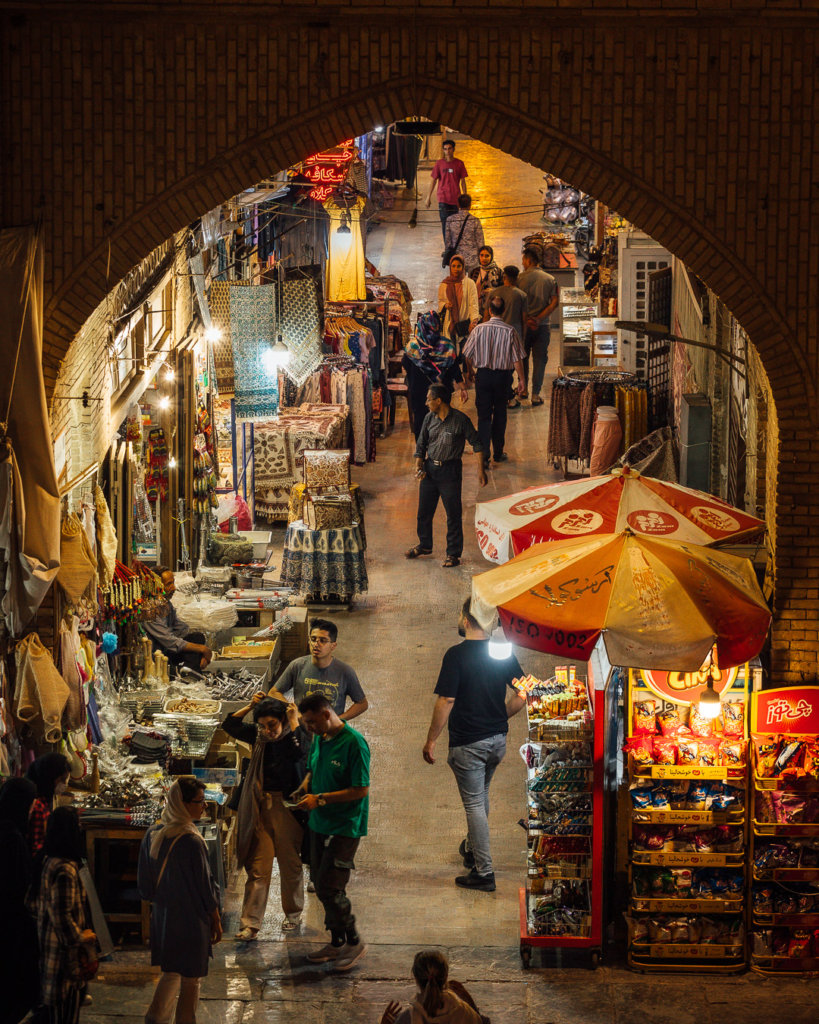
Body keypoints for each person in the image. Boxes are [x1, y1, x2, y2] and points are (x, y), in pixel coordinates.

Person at [422, 599, 525, 892]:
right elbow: (524, 693)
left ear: (466, 620)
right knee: (481, 795)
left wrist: (431, 739)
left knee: (475, 804)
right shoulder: (502, 652)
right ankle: (472, 850)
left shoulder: (456, 655)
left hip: (469, 743)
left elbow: (446, 700)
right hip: (497, 742)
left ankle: (484, 872)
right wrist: (498, 715)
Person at [223, 695, 311, 940]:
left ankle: (293, 914)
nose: (267, 730)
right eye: (262, 725)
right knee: (258, 867)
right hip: (260, 805)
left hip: (287, 808)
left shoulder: (295, 735)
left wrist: (294, 721)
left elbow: (301, 751)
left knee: (289, 863)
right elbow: (230, 725)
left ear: (283, 720)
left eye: (272, 724)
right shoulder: (259, 737)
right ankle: (250, 923)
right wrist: (250, 706)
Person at [295, 693, 370, 973]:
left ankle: (354, 941)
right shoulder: (320, 737)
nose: (309, 728)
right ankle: (336, 942)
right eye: (306, 723)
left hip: (344, 826)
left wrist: (322, 799)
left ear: (327, 714)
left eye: (312, 721)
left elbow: (360, 789)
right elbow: (314, 769)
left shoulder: (354, 743)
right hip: (319, 823)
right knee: (318, 881)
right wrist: (306, 784)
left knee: (330, 886)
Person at [138, 777, 221, 1024]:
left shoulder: (153, 834)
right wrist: (215, 920)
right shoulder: (191, 840)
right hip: (191, 919)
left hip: (164, 917)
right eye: (199, 802)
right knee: (191, 978)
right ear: (181, 804)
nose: (204, 806)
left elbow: (144, 886)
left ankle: (156, 1017)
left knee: (171, 970)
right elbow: (206, 889)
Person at [406, 384, 487, 569]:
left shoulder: (460, 420)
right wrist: (418, 463)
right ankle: (425, 545)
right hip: (430, 469)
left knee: (453, 514)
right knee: (424, 513)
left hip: (450, 472)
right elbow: (421, 444)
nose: (426, 403)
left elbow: (477, 444)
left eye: (429, 399)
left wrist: (480, 471)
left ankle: (453, 554)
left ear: (439, 401)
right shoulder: (428, 418)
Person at [36, 807, 97, 1024]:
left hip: (50, 951)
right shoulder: (66, 870)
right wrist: (83, 937)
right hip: (65, 960)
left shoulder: (49, 862)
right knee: (65, 1015)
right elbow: (62, 916)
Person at [462, 295, 526, 467]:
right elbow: (517, 359)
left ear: (489, 311)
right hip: (502, 378)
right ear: (504, 311)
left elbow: (467, 355)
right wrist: (522, 380)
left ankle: (484, 456)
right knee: (500, 414)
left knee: (483, 417)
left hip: (483, 377)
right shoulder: (510, 331)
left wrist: (470, 372)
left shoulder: (478, 330)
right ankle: (498, 452)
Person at [271, 618, 369, 722]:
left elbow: (362, 704)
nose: (316, 644)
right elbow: (273, 692)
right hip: (304, 730)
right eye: (313, 639)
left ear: (333, 645)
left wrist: (338, 720)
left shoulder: (345, 672)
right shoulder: (297, 666)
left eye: (323, 640)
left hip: (330, 733)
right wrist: (294, 712)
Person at [0, 778, 40, 1024]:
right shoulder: (12, 838)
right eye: (31, 802)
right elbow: (20, 884)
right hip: (11, 922)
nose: (34, 807)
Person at [402, 310, 467, 441]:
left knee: (420, 419)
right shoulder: (447, 346)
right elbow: (454, 368)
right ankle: (439, 451)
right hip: (442, 391)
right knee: (442, 420)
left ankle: (421, 453)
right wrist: (462, 388)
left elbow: (406, 365)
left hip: (419, 391)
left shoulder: (413, 347)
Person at [381, 950, 485, 1024]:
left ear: (416, 978)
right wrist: (470, 1003)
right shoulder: (464, 1012)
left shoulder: (408, 1018)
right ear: (445, 977)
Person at [143, 568, 213, 672]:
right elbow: (168, 641)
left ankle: (190, 673)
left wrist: (201, 650)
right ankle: (187, 675)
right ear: (156, 586)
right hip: (157, 657)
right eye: (169, 584)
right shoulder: (149, 610)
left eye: (173, 583)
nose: (174, 588)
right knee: (196, 647)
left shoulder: (166, 604)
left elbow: (182, 628)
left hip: (168, 649)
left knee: (197, 638)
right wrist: (202, 649)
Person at [518, 246, 559, 405]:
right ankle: (536, 394)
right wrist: (539, 318)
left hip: (524, 327)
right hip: (542, 327)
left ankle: (524, 389)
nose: (523, 263)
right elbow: (555, 302)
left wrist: (528, 319)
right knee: (540, 360)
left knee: (523, 358)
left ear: (528, 260)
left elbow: (517, 302)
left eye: (523, 260)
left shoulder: (519, 279)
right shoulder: (550, 279)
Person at [486, 265, 528, 409]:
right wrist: (523, 338)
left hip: (494, 334)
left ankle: (502, 396)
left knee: (497, 367)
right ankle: (508, 397)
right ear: (517, 278)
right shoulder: (521, 295)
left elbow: (487, 315)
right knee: (509, 369)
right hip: (513, 335)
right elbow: (524, 319)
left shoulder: (493, 293)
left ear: (504, 276)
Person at [27, 752, 70, 858]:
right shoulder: (37, 807)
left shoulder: (45, 796)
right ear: (50, 776)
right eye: (61, 779)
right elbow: (36, 850)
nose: (64, 784)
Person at [426, 139, 468, 241]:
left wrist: (465, 198)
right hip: (443, 198)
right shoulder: (439, 164)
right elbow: (433, 180)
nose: (447, 151)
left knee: (455, 225)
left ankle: (453, 247)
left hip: (455, 199)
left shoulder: (459, 164)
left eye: (449, 149)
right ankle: (448, 249)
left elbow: (463, 181)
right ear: (443, 150)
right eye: (445, 149)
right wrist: (428, 197)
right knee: (445, 224)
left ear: (453, 149)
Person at [437, 256, 479, 349]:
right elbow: (440, 301)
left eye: (459, 266)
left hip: (465, 325)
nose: (456, 269)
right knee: (451, 354)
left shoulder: (470, 283)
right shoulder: (444, 284)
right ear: (450, 267)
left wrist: (473, 321)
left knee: (465, 353)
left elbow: (473, 304)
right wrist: (445, 305)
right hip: (450, 324)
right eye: (453, 266)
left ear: (463, 267)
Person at [443, 195, 484, 274]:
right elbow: (480, 243)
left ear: (458, 204)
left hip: (457, 260)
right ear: (470, 205)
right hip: (473, 260)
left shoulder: (450, 220)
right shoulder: (475, 220)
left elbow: (448, 243)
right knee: (472, 284)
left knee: (459, 284)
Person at [470, 245, 503, 314]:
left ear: (491, 257)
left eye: (487, 256)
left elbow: (503, 290)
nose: (484, 258)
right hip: (475, 308)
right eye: (481, 255)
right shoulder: (474, 272)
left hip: (492, 309)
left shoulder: (498, 272)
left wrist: (493, 291)